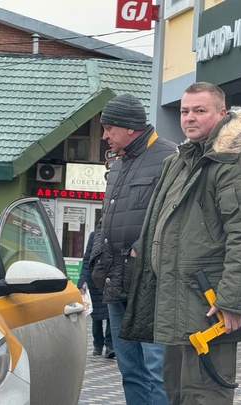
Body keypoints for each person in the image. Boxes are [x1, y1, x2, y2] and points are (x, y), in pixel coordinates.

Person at [120, 82, 241, 405]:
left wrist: (233, 301)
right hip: (176, 302)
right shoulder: (179, 161)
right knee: (177, 394)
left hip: (210, 305)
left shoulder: (235, 162)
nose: (189, 118)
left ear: (222, 113)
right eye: (184, 111)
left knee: (204, 395)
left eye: (199, 110)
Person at [90, 93, 176, 404]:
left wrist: (142, 251)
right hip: (115, 283)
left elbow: (176, 219)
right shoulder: (117, 165)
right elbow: (106, 221)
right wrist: (98, 257)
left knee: (156, 371)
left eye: (108, 128)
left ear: (129, 128)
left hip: (150, 287)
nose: (104, 136)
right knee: (130, 370)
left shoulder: (170, 158)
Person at [78, 231, 114, 358]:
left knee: (111, 314)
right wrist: (82, 281)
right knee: (96, 315)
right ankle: (98, 344)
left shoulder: (114, 232)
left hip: (111, 279)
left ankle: (110, 345)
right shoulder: (95, 235)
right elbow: (87, 259)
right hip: (95, 280)